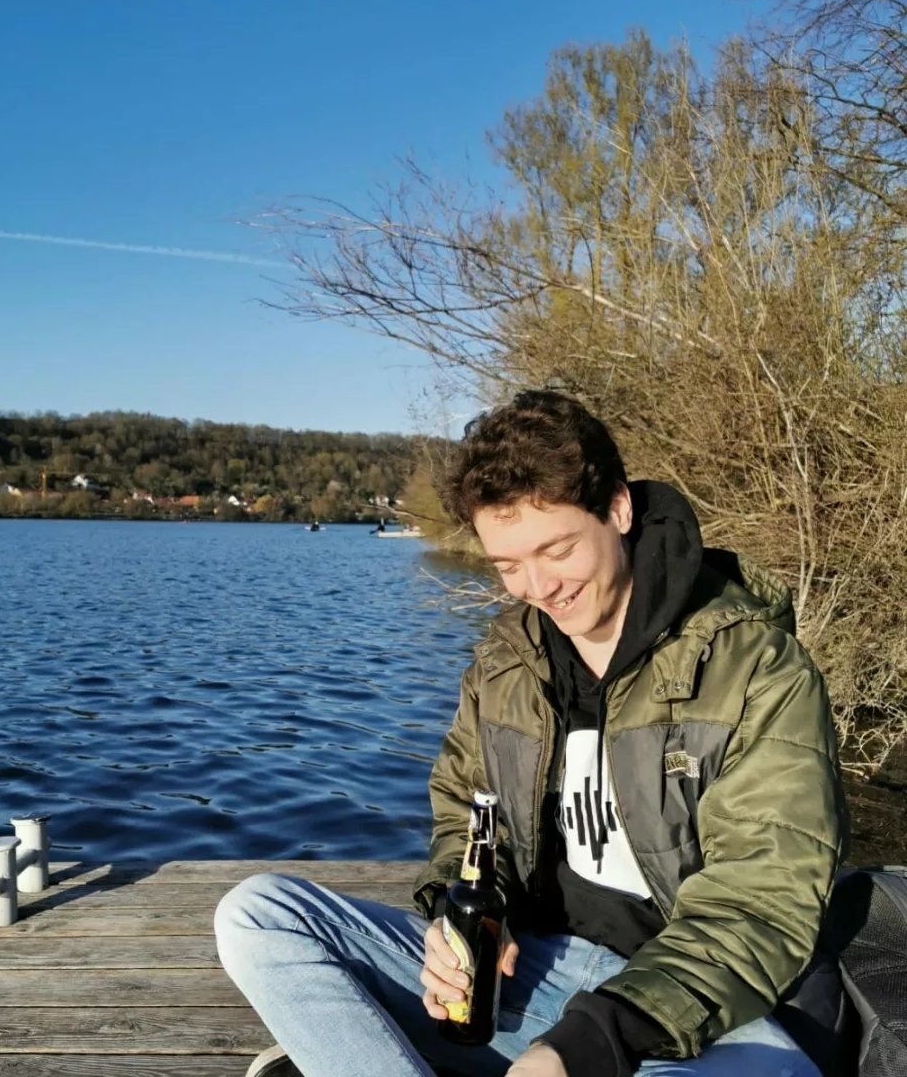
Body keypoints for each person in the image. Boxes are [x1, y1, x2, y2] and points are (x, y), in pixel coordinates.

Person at [214, 388, 848, 1077]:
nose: (538, 588)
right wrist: (461, 916)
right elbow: (465, 818)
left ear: (618, 509)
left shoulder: (756, 670)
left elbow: (760, 905)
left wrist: (590, 1041)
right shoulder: (507, 662)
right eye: (508, 566)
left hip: (699, 1010)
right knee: (259, 915)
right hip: (537, 974)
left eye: (556, 550)